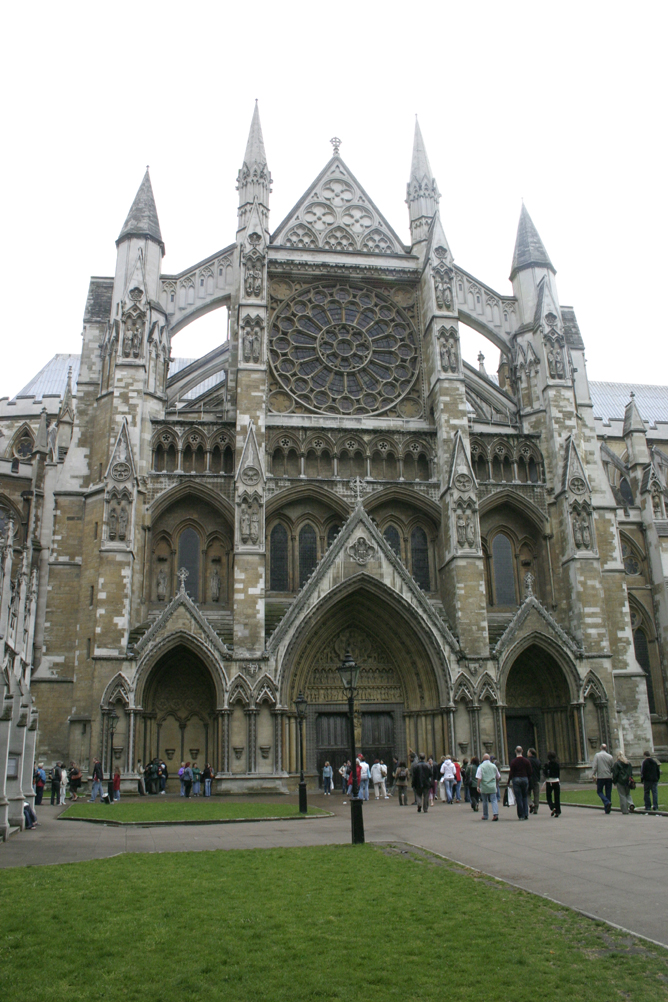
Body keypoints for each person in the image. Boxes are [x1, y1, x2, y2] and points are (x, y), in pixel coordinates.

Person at [508, 746, 532, 820]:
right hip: (524, 779)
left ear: (515, 751)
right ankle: (526, 814)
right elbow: (530, 771)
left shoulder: (513, 761)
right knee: (524, 796)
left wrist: (508, 781)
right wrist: (527, 778)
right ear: (522, 751)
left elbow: (511, 772)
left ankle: (521, 815)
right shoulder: (526, 761)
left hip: (516, 779)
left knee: (518, 797)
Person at [476, 753, 501, 821]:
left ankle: (485, 815)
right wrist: (496, 784)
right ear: (489, 759)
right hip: (492, 786)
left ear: (483, 759)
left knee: (485, 801)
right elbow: (498, 777)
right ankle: (495, 814)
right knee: (494, 800)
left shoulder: (481, 766)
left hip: (484, 786)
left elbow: (479, 778)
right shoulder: (494, 766)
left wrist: (478, 786)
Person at [591, 743, 614, 814]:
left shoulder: (597, 755)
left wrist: (593, 774)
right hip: (608, 776)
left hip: (601, 776)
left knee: (599, 791)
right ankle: (607, 809)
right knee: (608, 792)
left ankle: (607, 802)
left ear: (600, 748)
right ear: (606, 749)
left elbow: (595, 766)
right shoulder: (610, 756)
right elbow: (612, 767)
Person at [543, 751, 561, 817]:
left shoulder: (547, 765)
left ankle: (552, 807)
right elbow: (558, 773)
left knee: (548, 796)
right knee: (557, 797)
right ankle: (558, 811)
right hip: (556, 781)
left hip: (549, 782)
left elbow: (545, 773)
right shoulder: (557, 764)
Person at [527, 748, 542, 815]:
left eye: (528, 752)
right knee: (536, 795)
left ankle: (531, 804)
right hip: (536, 779)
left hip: (529, 779)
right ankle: (536, 808)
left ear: (530, 753)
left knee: (527, 793)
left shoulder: (527, 761)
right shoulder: (538, 761)